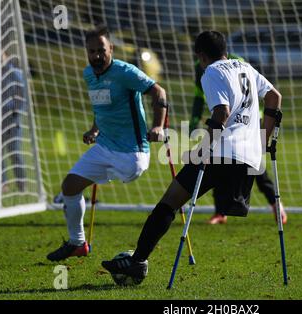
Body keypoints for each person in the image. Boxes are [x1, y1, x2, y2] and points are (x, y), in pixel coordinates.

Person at [101, 30, 283, 285]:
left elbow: (221, 112)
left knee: (170, 201)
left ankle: (137, 261)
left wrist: (203, 149)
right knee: (177, 200)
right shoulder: (246, 67)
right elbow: (275, 97)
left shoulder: (211, 72)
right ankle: (137, 260)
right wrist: (263, 139)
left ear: (200, 55)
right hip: (249, 158)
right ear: (225, 49)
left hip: (221, 152)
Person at [46, 26, 167, 262]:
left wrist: (158, 126)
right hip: (104, 146)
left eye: (101, 50)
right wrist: (94, 129)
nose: (96, 56)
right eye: (92, 51)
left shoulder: (125, 72)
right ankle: (77, 243)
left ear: (111, 49)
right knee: (69, 186)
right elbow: (100, 105)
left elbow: (159, 92)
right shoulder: (88, 74)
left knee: (79, 186)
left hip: (132, 154)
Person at [190, 54, 287, 225]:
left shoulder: (237, 63)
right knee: (219, 164)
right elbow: (199, 97)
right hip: (227, 124)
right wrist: (194, 120)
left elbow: (266, 95)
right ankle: (220, 212)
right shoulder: (201, 69)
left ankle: (276, 204)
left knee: (256, 168)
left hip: (249, 123)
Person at [1, 52, 27, 193]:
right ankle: (3, 185)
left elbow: (22, 93)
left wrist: (16, 111)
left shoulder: (15, 73)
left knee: (14, 152)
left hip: (12, 119)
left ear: (5, 56)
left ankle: (22, 184)